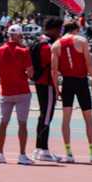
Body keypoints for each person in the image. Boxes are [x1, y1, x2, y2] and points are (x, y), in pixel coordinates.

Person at [52, 18, 92, 164]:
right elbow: (89, 63)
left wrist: (56, 88)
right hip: (81, 81)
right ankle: (91, 153)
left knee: (66, 119)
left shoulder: (56, 45)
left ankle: (69, 153)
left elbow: (54, 71)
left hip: (67, 82)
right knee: (88, 118)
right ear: (76, 29)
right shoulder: (81, 41)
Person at [0, 27, 33, 165]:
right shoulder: (24, 51)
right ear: (18, 36)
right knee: (22, 124)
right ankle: (22, 154)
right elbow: (30, 73)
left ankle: (0, 153)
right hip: (21, 90)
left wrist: (7, 74)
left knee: (3, 123)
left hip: (6, 91)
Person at [29, 15, 61, 162]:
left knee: (43, 115)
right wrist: (56, 86)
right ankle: (43, 149)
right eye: (59, 29)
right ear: (53, 29)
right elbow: (52, 66)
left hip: (40, 81)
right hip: (47, 82)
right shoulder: (47, 45)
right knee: (47, 116)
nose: (60, 32)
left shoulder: (37, 41)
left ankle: (38, 148)